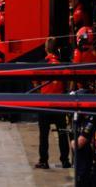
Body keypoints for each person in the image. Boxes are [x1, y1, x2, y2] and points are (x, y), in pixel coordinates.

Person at [35, 38, 71, 169]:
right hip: (60, 103)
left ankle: (43, 161)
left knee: (44, 134)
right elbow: (68, 83)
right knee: (62, 132)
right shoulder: (63, 64)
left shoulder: (41, 64)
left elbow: (35, 83)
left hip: (45, 103)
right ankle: (65, 161)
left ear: (46, 49)